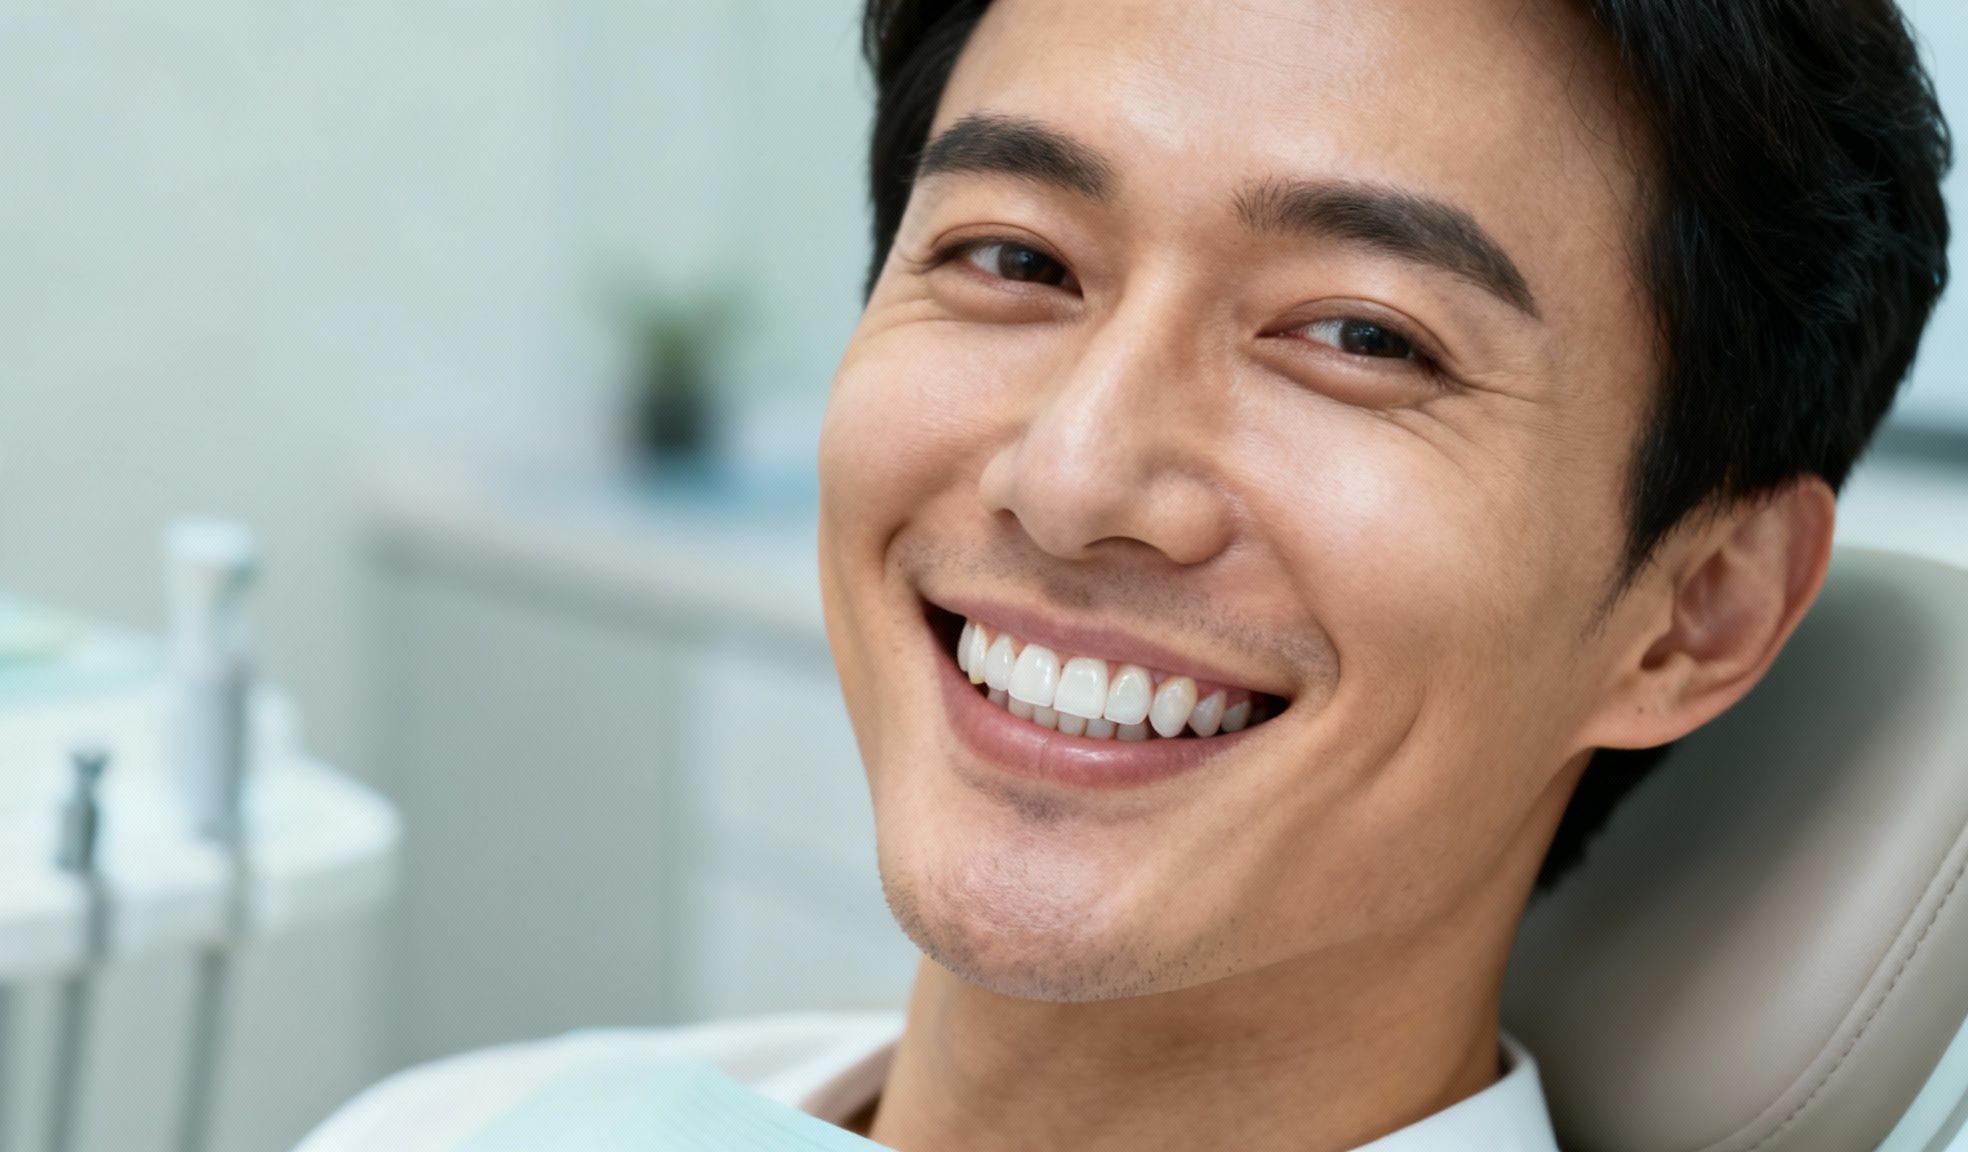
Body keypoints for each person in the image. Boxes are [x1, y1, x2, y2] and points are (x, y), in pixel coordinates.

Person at [298, 0, 1950, 1148]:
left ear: (1697, 610)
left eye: (1360, 336)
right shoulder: (467, 1122)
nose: (1075, 478)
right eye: (1013, 257)